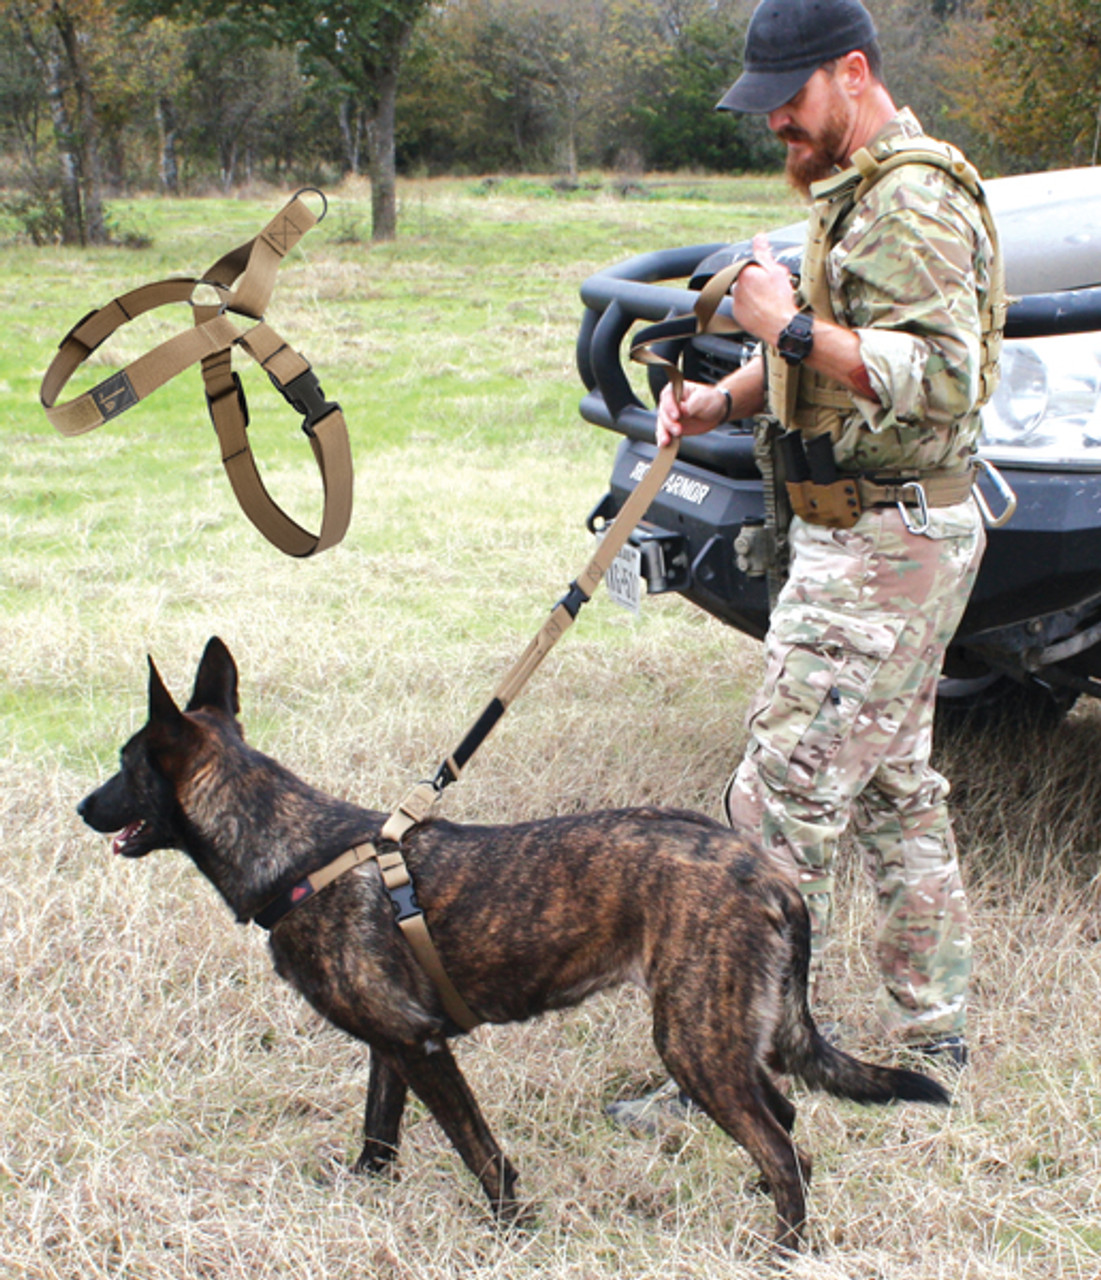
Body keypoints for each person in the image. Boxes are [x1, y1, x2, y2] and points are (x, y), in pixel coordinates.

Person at [609, 0, 1002, 1130]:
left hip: (882, 541)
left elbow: (940, 377)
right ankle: (941, 1033)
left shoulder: (914, 201)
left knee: (774, 800)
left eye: (791, 99)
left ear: (853, 72)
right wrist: (720, 393)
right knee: (890, 784)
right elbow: (830, 356)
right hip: (885, 535)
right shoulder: (859, 198)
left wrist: (780, 325)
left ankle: (725, 1067)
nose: (776, 122)